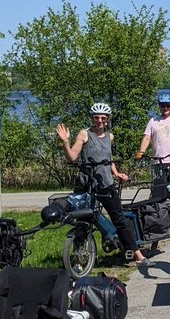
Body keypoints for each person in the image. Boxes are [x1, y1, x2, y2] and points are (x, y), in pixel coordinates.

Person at [56, 103, 149, 266]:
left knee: (118, 218)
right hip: (86, 183)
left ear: (107, 120)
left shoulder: (110, 137)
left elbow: (108, 158)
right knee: (83, 220)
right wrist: (65, 142)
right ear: (92, 118)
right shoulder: (84, 134)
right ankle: (78, 259)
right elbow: (72, 157)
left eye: (103, 118)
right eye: (96, 117)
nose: (99, 120)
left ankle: (137, 255)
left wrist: (117, 173)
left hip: (106, 183)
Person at [136, 93, 170, 208]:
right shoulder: (153, 121)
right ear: (159, 107)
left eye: (168, 106)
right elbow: (147, 137)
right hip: (158, 160)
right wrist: (142, 151)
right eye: (163, 106)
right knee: (157, 189)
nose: (165, 108)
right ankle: (159, 214)